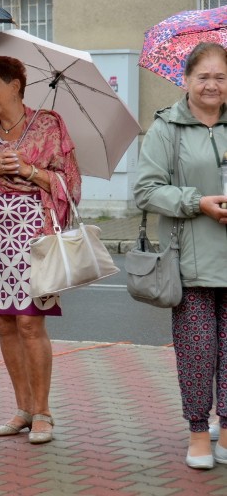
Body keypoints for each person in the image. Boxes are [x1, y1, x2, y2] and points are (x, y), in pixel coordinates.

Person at [0, 55, 81, 445]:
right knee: (3, 322)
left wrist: (27, 171)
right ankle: (23, 409)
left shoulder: (48, 125)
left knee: (30, 322)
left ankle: (43, 412)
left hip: (34, 236)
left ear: (15, 85)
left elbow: (70, 183)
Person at [133, 42, 227, 470]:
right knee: (197, 352)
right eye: (203, 76)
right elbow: (145, 191)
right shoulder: (166, 128)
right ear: (186, 80)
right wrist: (197, 202)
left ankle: (225, 432)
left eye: (220, 77)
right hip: (189, 265)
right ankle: (197, 433)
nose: (212, 84)